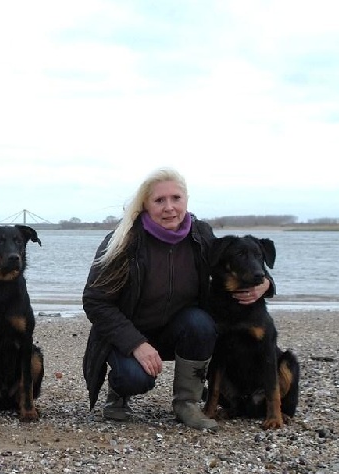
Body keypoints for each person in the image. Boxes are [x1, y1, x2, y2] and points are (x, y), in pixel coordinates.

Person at [82, 168, 272, 429]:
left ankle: (187, 403)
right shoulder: (124, 241)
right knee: (135, 378)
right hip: (127, 334)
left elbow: (239, 261)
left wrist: (266, 284)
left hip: (177, 331)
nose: (169, 207)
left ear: (186, 200)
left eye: (176, 198)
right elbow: (95, 301)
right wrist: (136, 344)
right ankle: (119, 392)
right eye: (159, 200)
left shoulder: (201, 236)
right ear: (145, 205)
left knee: (201, 322)